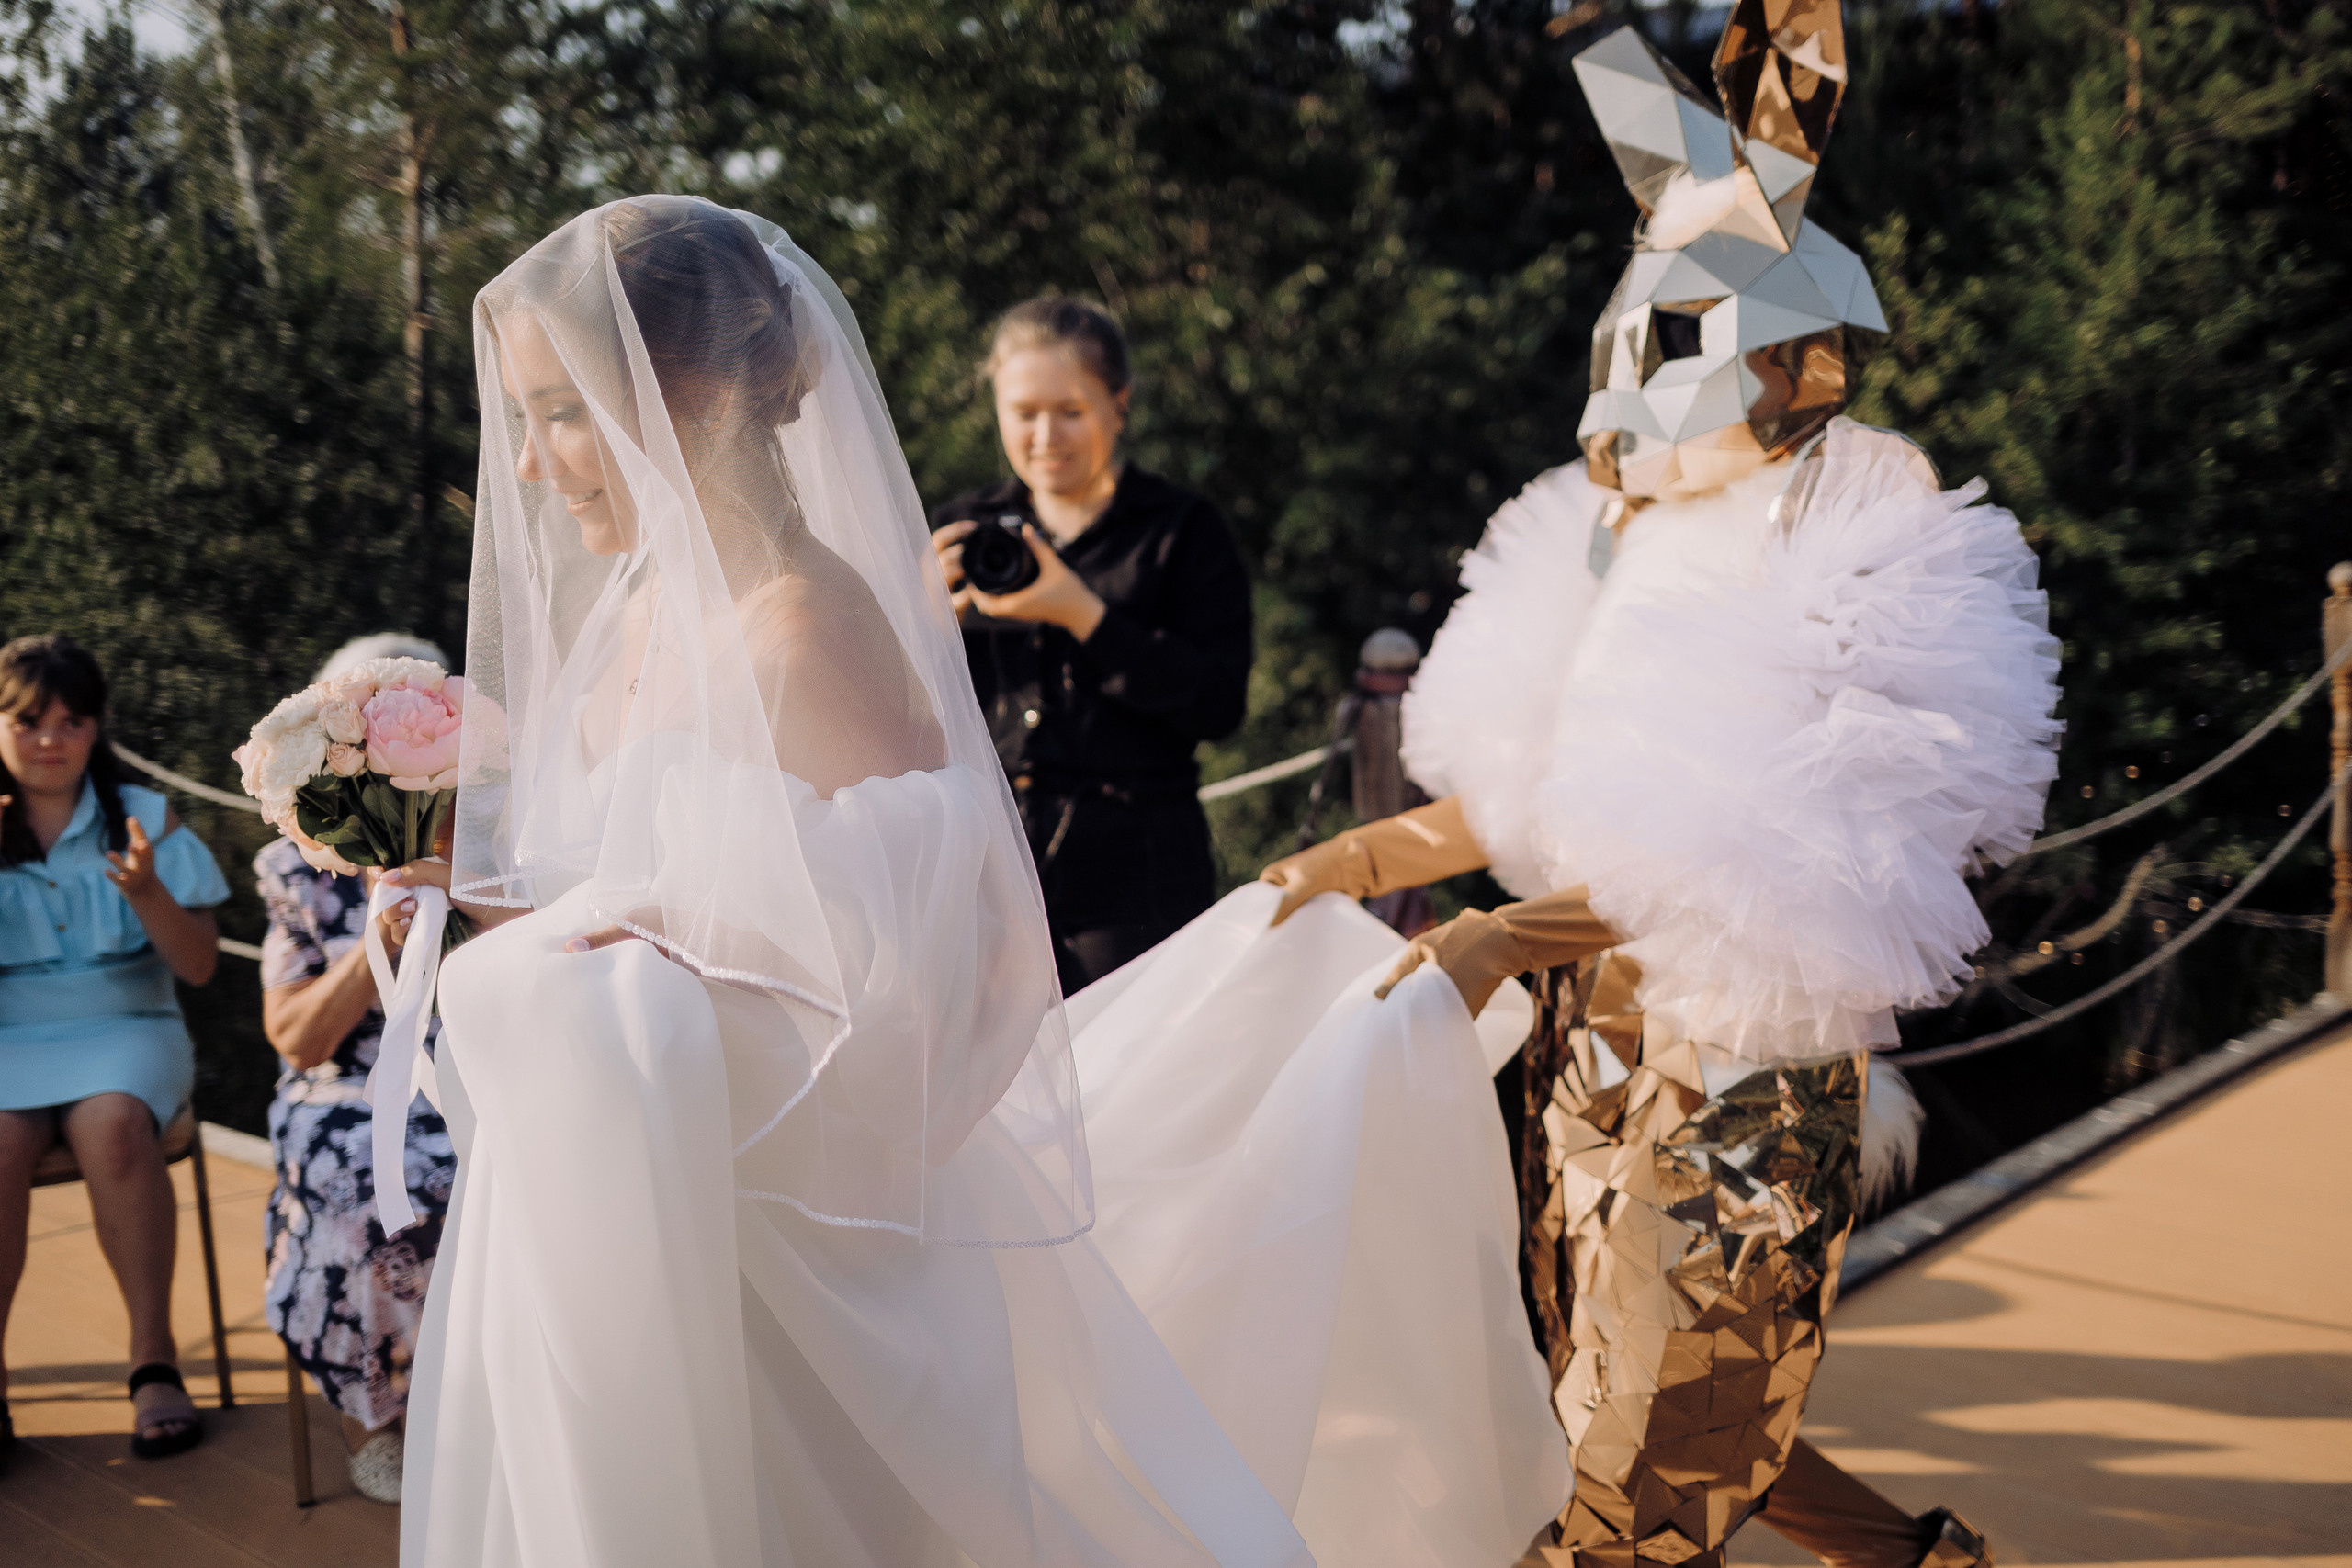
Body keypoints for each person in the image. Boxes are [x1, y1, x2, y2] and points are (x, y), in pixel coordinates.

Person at [383, 196, 1307, 1567]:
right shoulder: (631, 607)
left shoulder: (808, 638)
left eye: (559, 411)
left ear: (684, 392)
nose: (526, 463)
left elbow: (957, 995)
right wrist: (477, 907)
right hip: (606, 1243)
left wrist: (626, 990)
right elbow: (646, 904)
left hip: (782, 1285)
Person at [1247, 12, 2044, 1566]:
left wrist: (1500, 938)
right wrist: (1346, 860)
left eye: (1667, 341)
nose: (1624, 383)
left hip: (1740, 1062)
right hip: (1592, 1048)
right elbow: (1533, 797)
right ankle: (1915, 1562)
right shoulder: (1610, 546)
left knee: (1640, 1454)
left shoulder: (1850, 545)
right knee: (1609, 1397)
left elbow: (1734, 852)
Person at [930, 298, 1253, 992]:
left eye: (1070, 410)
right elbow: (897, 710)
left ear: (1118, 405)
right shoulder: (961, 530)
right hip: (986, 868)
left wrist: (1085, 616)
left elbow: (1219, 706)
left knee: (1129, 1086)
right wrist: (922, 621)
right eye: (1024, 412)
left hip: (1136, 875)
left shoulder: (1180, 531)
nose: (1046, 435)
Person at [0, 635, 232, 1468]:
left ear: (97, 729)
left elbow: (200, 966)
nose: (50, 739)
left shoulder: (143, 813)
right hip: (8, 1035)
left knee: (114, 1127)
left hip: (129, 1026)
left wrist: (147, 892)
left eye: (71, 720)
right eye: (27, 720)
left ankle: (153, 1360)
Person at [255, 633, 461, 1505]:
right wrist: (372, 944)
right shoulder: (296, 866)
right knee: (362, 1189)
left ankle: (485, 1400)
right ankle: (371, 1412)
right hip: (348, 1081)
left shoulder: (492, 838)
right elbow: (295, 1037)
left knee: (511, 1164)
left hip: (465, 1065)